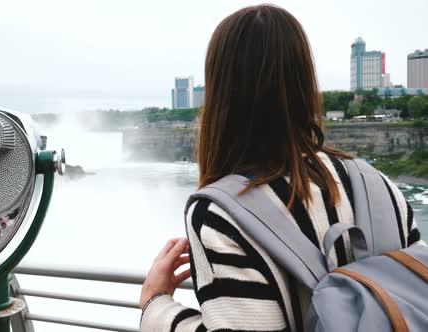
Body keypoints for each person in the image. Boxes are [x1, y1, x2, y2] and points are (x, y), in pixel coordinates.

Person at [138, 4, 423, 332]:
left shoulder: (222, 216)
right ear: (304, 82)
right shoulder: (377, 184)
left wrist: (156, 306)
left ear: (220, 95)